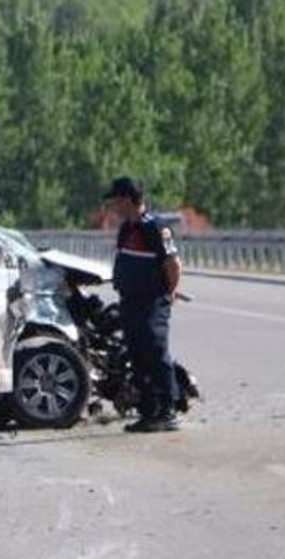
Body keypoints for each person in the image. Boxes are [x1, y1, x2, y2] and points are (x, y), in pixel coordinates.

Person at [104, 176, 183, 433]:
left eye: (115, 200)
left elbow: (173, 264)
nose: (113, 206)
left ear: (127, 200)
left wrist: (170, 292)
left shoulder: (156, 228)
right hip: (130, 301)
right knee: (137, 355)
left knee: (155, 352)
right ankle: (149, 412)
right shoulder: (127, 228)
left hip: (152, 302)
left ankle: (168, 409)